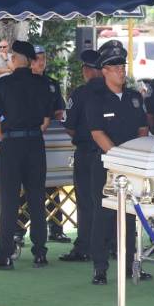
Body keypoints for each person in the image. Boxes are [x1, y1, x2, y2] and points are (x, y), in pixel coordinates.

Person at [0, 41, 55, 270]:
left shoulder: (3, 84)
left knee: (9, 200)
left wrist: (5, 137)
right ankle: (40, 253)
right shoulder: (43, 84)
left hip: (12, 145)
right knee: (37, 198)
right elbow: (46, 120)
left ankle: (4, 255)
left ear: (14, 59)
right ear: (31, 60)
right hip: (35, 143)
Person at [87, 45, 152, 285]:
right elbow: (97, 133)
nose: (121, 71)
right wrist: (118, 158)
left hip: (131, 167)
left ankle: (129, 265)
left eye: (122, 66)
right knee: (103, 216)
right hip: (107, 166)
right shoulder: (96, 98)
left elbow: (143, 129)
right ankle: (100, 268)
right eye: (115, 67)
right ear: (104, 71)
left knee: (130, 217)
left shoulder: (134, 98)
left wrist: (134, 158)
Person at [17, 45, 69, 243]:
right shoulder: (20, 83)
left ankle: (56, 227)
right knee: (25, 187)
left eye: (44, 58)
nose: (41, 62)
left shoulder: (51, 84)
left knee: (52, 184)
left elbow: (59, 110)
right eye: (37, 58)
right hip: (26, 139)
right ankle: (19, 229)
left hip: (50, 138)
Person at [59, 50, 106, 262]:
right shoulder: (116, 91)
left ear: (87, 70)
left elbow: (69, 127)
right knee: (110, 202)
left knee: (86, 202)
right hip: (112, 155)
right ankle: (110, 244)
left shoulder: (80, 94)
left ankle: (85, 246)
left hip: (87, 153)